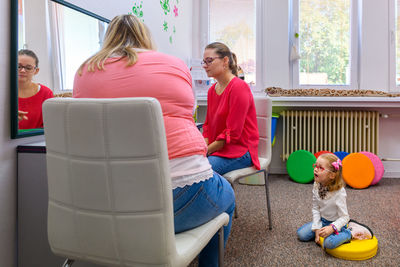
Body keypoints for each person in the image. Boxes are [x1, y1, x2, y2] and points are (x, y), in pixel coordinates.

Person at [73, 14, 235, 266]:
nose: (205, 65)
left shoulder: (85, 70)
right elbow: (189, 112)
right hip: (179, 196)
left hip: (104, 202)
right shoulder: (174, 65)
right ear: (146, 37)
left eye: (209, 60)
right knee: (227, 195)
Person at [201, 42, 259, 175]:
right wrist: (202, 149)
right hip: (218, 149)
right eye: (204, 61)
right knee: (190, 167)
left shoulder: (239, 87)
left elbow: (232, 133)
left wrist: (205, 151)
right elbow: (208, 127)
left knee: (201, 171)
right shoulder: (211, 91)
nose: (205, 65)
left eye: (209, 61)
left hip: (240, 151)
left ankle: (221, 196)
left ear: (225, 61)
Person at [297, 153, 352, 249]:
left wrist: (332, 228)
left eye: (320, 168)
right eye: (315, 166)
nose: (315, 169)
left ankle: (348, 234)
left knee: (328, 244)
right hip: (323, 221)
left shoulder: (339, 192)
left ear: (331, 175)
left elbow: (345, 217)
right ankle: (324, 232)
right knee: (301, 234)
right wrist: (317, 228)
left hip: (337, 224)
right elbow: (315, 208)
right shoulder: (316, 185)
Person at [18, 49, 53, 129]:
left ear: (36, 71)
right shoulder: (3, 91)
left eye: (28, 68)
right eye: (18, 66)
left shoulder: (46, 93)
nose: (22, 70)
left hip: (37, 140)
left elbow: (51, 124)